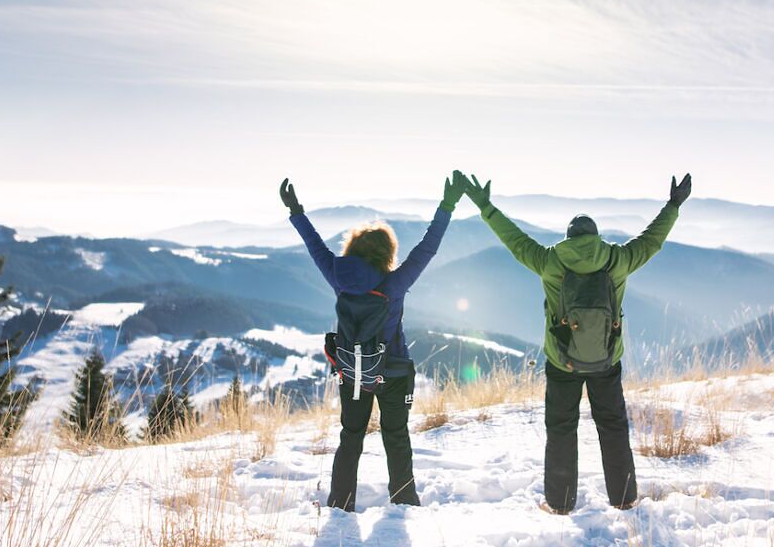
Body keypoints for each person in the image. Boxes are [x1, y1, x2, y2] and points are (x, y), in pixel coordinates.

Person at [463, 171, 692, 513]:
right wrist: (673, 206)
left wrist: (486, 207)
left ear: (568, 238)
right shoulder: (618, 260)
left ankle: (560, 504)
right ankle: (624, 499)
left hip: (562, 362)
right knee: (613, 428)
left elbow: (516, 241)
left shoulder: (549, 261)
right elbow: (651, 241)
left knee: (561, 430)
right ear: (596, 237)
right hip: (606, 361)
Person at [280, 172, 466, 512]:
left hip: (353, 373)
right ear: (387, 252)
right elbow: (427, 248)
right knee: (396, 438)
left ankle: (340, 504)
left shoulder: (337, 276)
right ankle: (404, 503)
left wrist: (296, 211)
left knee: (350, 437)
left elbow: (315, 246)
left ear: (352, 249)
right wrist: (447, 206)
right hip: (393, 373)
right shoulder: (394, 284)